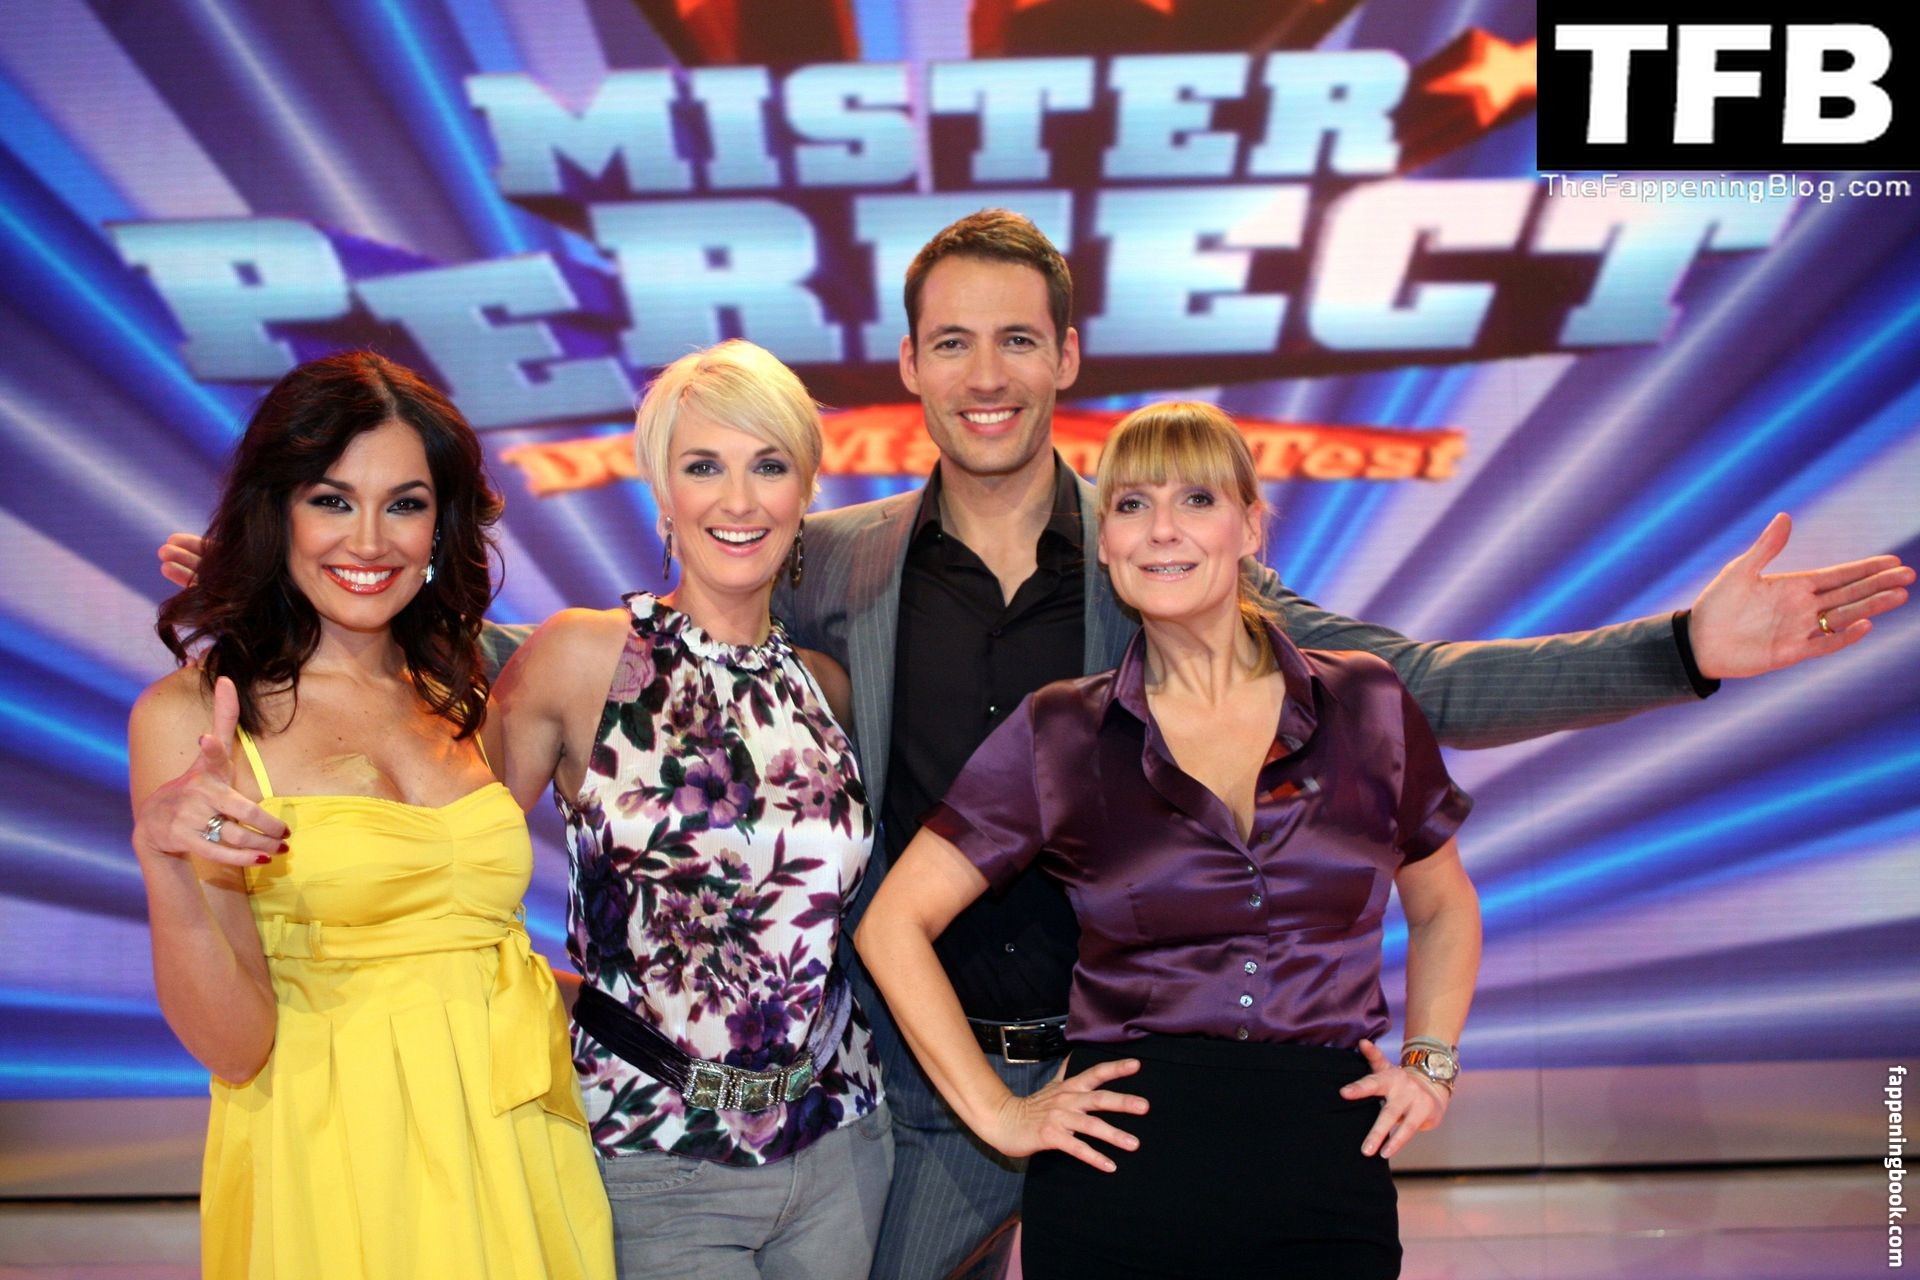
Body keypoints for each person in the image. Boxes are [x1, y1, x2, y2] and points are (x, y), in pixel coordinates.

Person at [158, 211, 1914, 1279]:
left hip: (1120, 1088)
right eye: (952, 342)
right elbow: (616, 676)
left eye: (1018, 338)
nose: (986, 371)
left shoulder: (1167, 558)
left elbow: (1423, 685)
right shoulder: (829, 566)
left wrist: (1681, 652)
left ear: (1067, 354)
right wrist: (305, 600)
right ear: (911, 369)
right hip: (891, 1101)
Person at [855, 400, 1482, 1278]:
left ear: (1250, 527)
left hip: (1326, 1164)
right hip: (1122, 1173)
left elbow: (1444, 905)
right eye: (1131, 504)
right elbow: (892, 925)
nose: (1161, 531)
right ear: (1105, 546)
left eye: (1196, 499)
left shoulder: (1366, 703)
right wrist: (1002, 1114)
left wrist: (1431, 1061)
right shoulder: (1061, 731)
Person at [129, 353, 612, 1278]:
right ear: (276, 510)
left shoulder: (465, 687)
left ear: (441, 524)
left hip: (519, 1142)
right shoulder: (194, 718)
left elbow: (461, 948)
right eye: (330, 500)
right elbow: (234, 1046)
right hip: (339, 1160)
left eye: (404, 504)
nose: (368, 541)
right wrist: (163, 860)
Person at [484, 340, 891, 1278]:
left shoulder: (827, 686)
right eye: (704, 466)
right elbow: (451, 872)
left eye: (769, 466)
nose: (738, 501)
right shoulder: (585, 657)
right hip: (650, 1151)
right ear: (661, 490)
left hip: (842, 1145)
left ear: (806, 490)